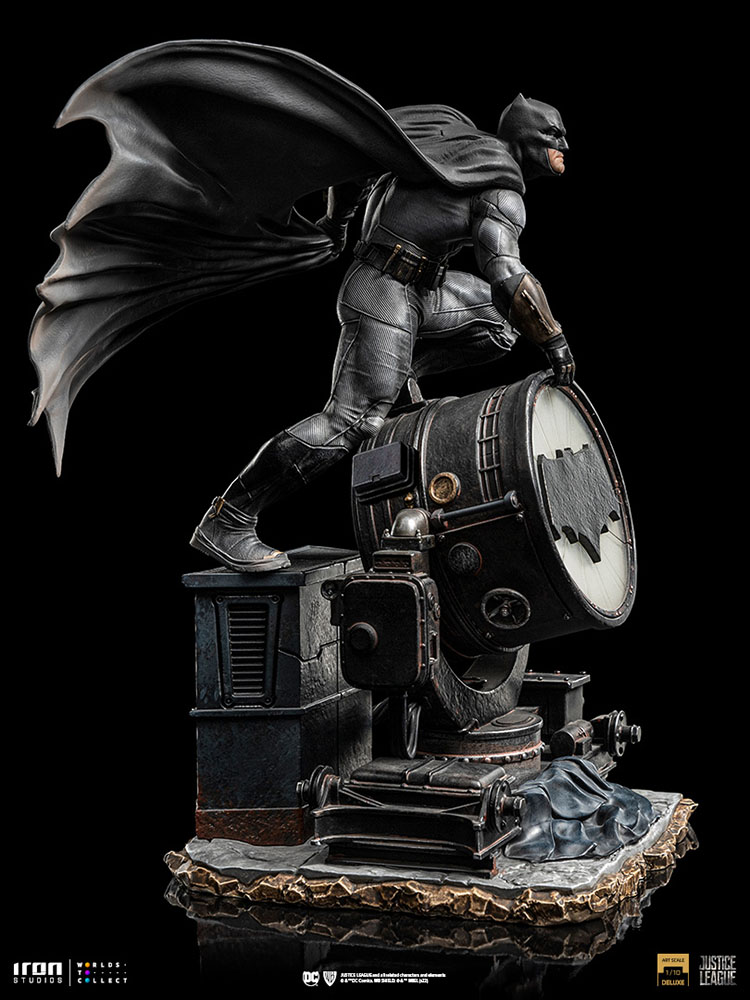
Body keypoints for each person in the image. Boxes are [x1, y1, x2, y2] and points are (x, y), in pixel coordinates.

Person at [190, 94, 575, 573]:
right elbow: (507, 274)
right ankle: (228, 519)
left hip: (423, 287)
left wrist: (338, 221)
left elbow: (359, 163)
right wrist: (554, 341)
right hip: (383, 286)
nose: (564, 145)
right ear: (524, 137)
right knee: (352, 419)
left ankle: (399, 373)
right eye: (553, 135)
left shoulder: (447, 146)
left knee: (501, 324)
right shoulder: (498, 190)